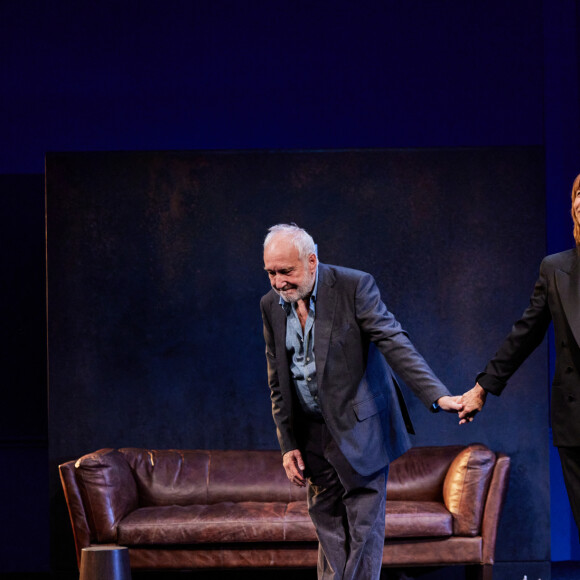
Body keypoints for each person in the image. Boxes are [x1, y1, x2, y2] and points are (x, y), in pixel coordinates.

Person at [260, 223, 463, 580]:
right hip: (311, 435)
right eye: (271, 273)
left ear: (311, 261)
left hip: (359, 428)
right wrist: (287, 443)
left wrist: (438, 395)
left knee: (363, 531)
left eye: (286, 272)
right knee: (328, 528)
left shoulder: (353, 286)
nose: (278, 282)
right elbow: (278, 379)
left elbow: (393, 340)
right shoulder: (271, 306)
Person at [459, 173, 580, 537]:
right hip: (576, 420)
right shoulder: (556, 269)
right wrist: (483, 388)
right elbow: (525, 334)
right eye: (579, 193)